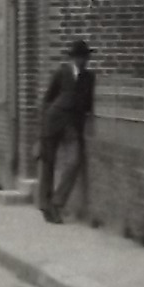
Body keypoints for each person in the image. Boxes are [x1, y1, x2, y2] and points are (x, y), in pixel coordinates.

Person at [38, 39, 96, 224]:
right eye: (80, 58)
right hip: (53, 122)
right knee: (48, 164)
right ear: (73, 58)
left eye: (85, 58)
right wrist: (42, 128)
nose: (83, 62)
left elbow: (89, 105)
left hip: (73, 127)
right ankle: (45, 205)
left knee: (74, 161)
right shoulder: (61, 73)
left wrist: (89, 125)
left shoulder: (89, 78)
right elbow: (47, 99)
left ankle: (57, 202)